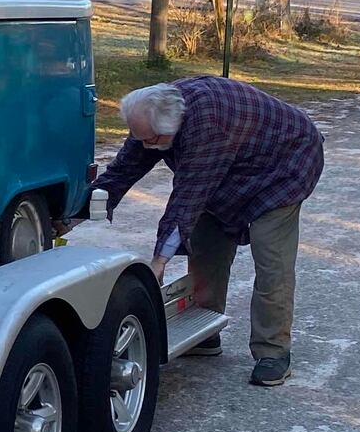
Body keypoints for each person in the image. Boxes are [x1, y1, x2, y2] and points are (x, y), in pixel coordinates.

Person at [98, 77, 324, 387]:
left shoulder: (207, 127)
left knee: (272, 260)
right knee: (205, 249)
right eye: (142, 139)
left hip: (283, 166)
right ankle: (206, 330)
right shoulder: (155, 114)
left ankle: (273, 352)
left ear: (172, 126)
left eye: (152, 140)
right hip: (231, 165)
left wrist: (158, 262)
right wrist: (82, 208)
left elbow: (188, 196)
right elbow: (123, 169)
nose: (147, 147)